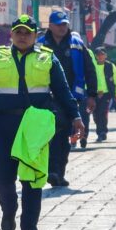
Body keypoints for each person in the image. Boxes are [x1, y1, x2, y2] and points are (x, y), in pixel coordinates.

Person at [0, 15, 85, 230]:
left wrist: (76, 117)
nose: (22, 36)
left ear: (35, 35)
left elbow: (63, 91)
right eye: (18, 32)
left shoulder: (48, 58)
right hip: (3, 124)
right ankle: (9, 208)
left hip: (34, 128)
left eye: (27, 32)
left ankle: (30, 228)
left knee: (33, 178)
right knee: (2, 176)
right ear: (11, 34)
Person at [38, 10, 98, 186]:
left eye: (64, 24)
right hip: (45, 97)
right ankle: (52, 170)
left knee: (63, 135)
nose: (62, 27)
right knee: (49, 134)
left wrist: (92, 95)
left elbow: (89, 69)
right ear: (50, 26)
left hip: (70, 97)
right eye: (58, 24)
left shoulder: (77, 44)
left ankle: (58, 172)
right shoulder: (39, 44)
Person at [92, 48, 116, 142]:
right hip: (95, 93)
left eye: (102, 54)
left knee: (103, 112)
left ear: (106, 55)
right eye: (98, 55)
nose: (100, 56)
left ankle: (102, 132)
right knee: (96, 114)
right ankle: (100, 130)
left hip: (106, 94)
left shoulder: (110, 66)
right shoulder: (93, 65)